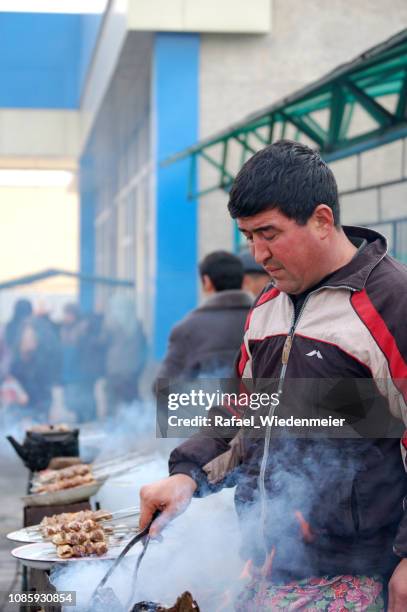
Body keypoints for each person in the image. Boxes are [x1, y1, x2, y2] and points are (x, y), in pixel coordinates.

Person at [139, 141, 407, 611]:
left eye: (269, 233)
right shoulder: (265, 308)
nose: (258, 253)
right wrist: (186, 474)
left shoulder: (390, 302)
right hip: (272, 559)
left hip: (361, 569)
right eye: (248, 236)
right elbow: (244, 413)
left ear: (322, 220)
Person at [155, 250, 253, 382]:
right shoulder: (264, 319)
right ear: (244, 281)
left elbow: (163, 386)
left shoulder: (187, 328)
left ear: (206, 281)